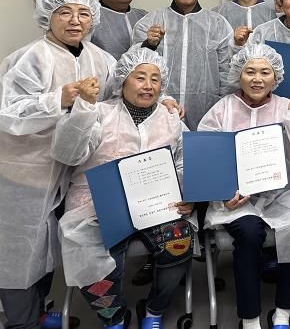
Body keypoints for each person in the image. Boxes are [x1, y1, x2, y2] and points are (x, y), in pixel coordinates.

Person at [50, 48, 191, 329]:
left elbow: (184, 163)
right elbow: (68, 155)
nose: (148, 85)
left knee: (180, 240)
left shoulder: (171, 118)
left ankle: (153, 310)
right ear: (122, 80)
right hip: (95, 205)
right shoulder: (99, 113)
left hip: (153, 204)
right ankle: (114, 318)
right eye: (140, 77)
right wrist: (83, 110)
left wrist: (187, 196)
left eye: (155, 79)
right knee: (91, 254)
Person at [0, 0, 115, 329]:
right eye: (65, 12)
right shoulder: (31, 57)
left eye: (83, 13)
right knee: (20, 248)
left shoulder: (101, 59)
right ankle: (20, 321)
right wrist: (58, 99)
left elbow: (118, 99)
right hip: (26, 170)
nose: (75, 20)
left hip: (75, 170)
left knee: (49, 246)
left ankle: (39, 310)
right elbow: (8, 112)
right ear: (48, 17)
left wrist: (164, 101)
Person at [197, 44, 290, 329]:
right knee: (250, 233)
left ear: (276, 78)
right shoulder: (223, 109)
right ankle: (250, 317)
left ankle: (283, 313)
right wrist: (224, 194)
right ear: (238, 75)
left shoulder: (286, 107)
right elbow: (206, 156)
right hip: (236, 196)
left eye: (265, 72)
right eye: (250, 71)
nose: (257, 79)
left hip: (281, 193)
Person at [132, 0, 233, 130]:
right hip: (158, 108)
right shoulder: (151, 21)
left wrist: (223, 108)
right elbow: (133, 67)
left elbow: (227, 70)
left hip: (207, 111)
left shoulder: (218, 24)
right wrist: (149, 44)